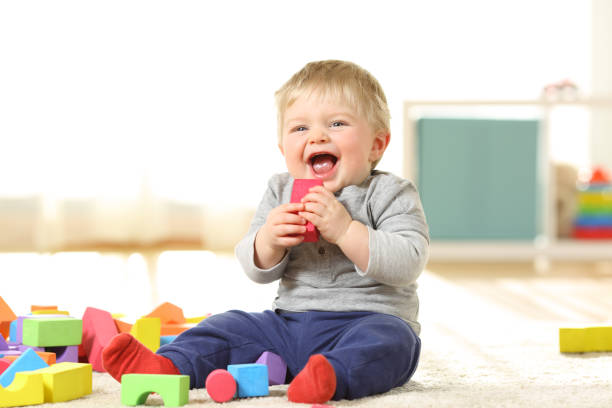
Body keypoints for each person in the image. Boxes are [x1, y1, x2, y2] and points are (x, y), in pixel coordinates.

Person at [102, 60, 429, 403]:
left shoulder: (391, 192)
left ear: (377, 145)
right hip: (286, 326)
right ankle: (166, 366)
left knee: (392, 343)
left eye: (337, 123)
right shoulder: (280, 190)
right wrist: (270, 241)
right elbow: (253, 264)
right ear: (283, 149)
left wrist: (346, 230)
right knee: (229, 326)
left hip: (367, 321)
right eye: (300, 128)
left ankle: (330, 377)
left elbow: (408, 262)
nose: (317, 136)